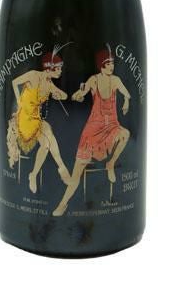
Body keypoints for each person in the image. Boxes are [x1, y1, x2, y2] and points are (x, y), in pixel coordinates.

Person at [53, 46, 131, 217]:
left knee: (125, 134)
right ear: (101, 65)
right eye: (108, 64)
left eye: (112, 63)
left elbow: (127, 93)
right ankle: (62, 203)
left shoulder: (116, 80)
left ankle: (111, 164)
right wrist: (78, 96)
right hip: (93, 129)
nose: (112, 66)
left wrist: (126, 101)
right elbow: (81, 92)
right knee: (77, 171)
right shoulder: (94, 80)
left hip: (111, 126)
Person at [9, 52, 70, 194]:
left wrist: (59, 95)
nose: (61, 71)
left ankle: (37, 174)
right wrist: (18, 101)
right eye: (58, 69)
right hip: (24, 118)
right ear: (49, 69)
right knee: (47, 138)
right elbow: (14, 82)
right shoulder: (33, 75)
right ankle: (60, 168)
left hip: (36, 118)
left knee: (48, 138)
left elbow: (64, 95)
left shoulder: (49, 83)